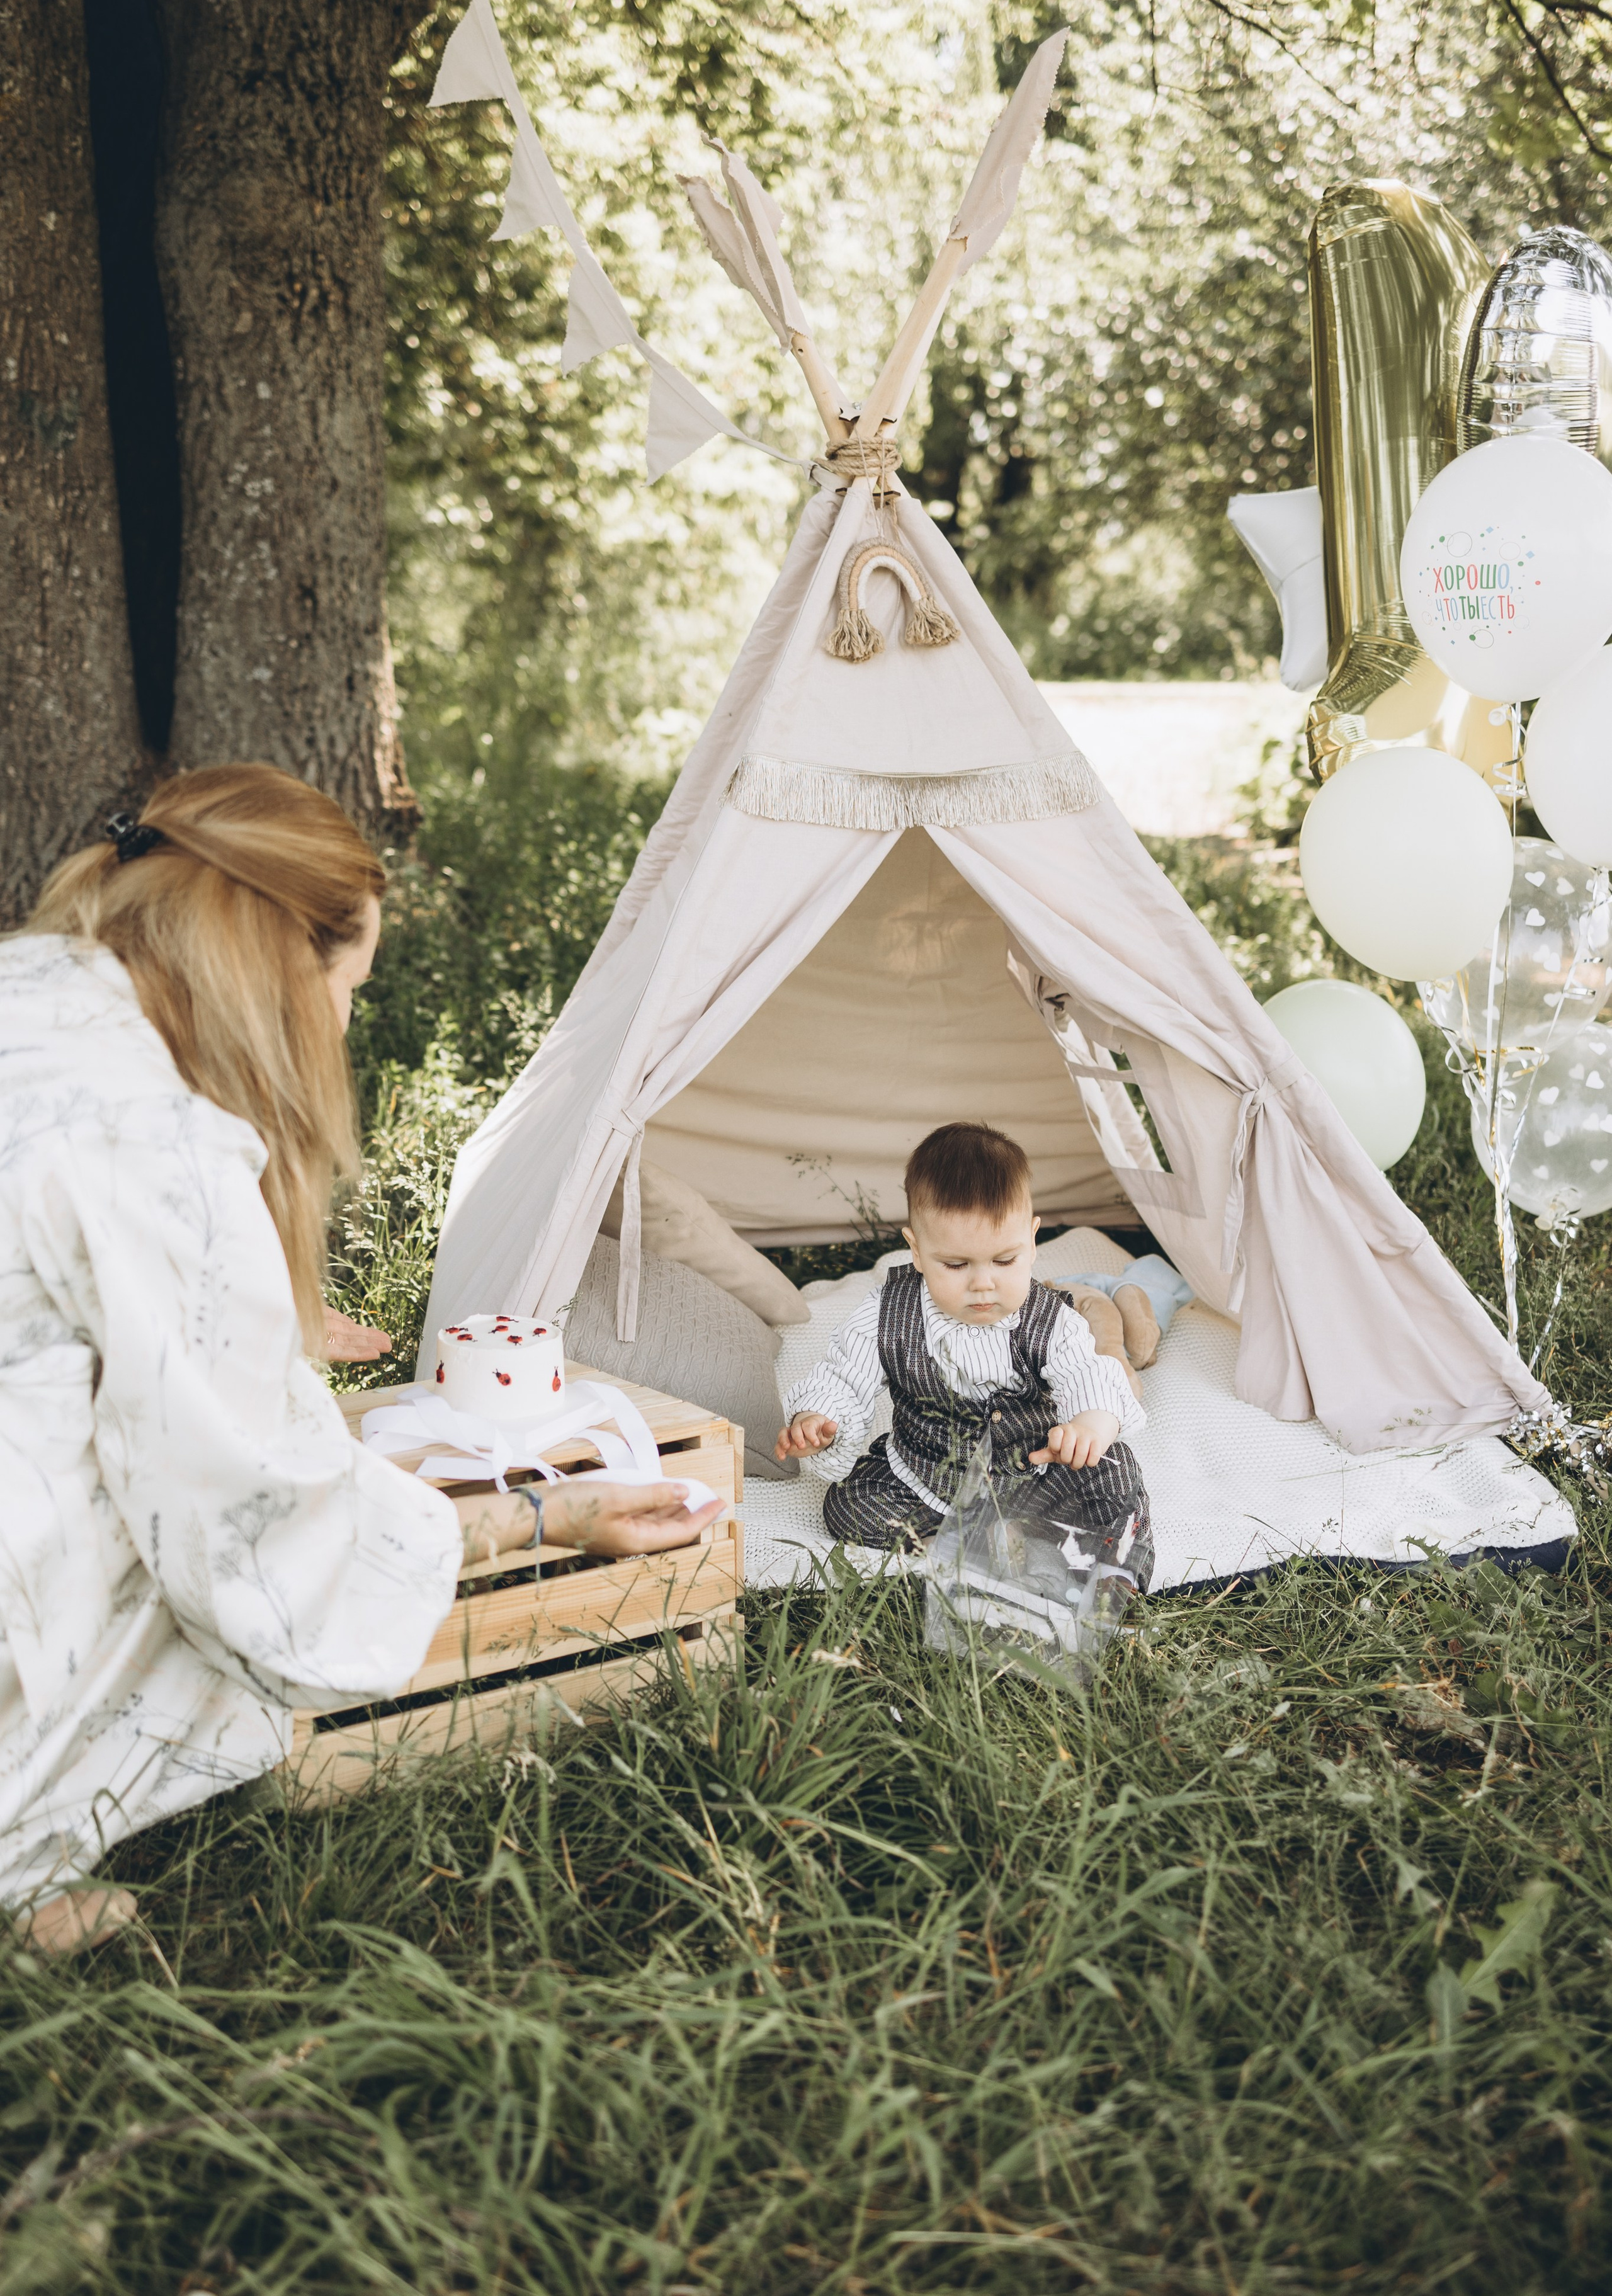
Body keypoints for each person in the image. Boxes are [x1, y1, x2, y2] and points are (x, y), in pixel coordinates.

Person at [0, 766, 720, 1957]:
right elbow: (264, 1537)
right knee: (155, 1538)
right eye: (350, 987)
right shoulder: (164, 1149)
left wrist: (243, 1329)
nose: (344, 1022)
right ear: (282, 961)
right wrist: (546, 1515)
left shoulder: (37, 992)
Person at [775, 1122, 1152, 1579]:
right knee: (849, 1503)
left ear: (1032, 1241)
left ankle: (1107, 1569)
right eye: (956, 1264)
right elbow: (842, 1377)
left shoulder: (1050, 1319)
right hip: (927, 1479)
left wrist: (1088, 1426)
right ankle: (959, 1541)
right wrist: (817, 1419)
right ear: (916, 1250)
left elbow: (1088, 1373)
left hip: (1034, 1475)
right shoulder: (888, 1313)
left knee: (1115, 1469)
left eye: (1004, 1260)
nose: (983, 1283)